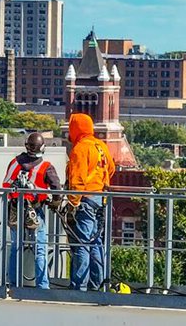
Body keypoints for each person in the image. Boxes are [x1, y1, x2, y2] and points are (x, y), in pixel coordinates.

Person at [3, 131, 62, 290]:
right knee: (40, 250)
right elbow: (57, 189)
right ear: (42, 148)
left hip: (15, 211)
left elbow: (6, 186)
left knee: (16, 248)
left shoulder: (15, 163)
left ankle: (13, 284)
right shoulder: (46, 167)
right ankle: (42, 287)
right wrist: (55, 203)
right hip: (36, 213)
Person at [65, 112, 115, 291]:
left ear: (76, 128)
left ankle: (79, 287)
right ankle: (97, 284)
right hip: (99, 199)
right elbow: (111, 168)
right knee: (96, 242)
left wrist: (73, 202)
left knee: (81, 243)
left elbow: (77, 179)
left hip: (85, 200)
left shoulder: (80, 148)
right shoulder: (99, 145)